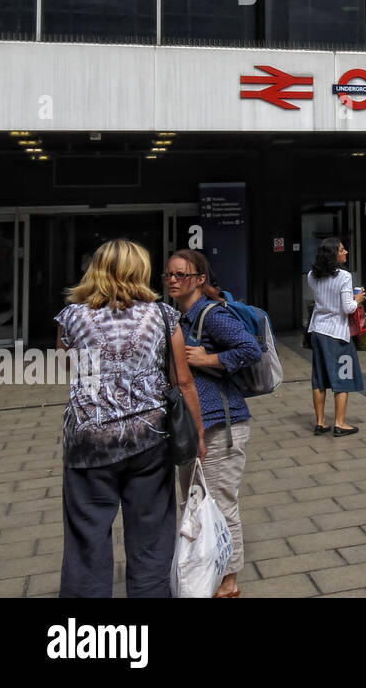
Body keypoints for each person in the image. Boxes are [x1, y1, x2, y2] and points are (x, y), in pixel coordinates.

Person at [57, 239, 203, 598]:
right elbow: (182, 380)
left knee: (86, 539)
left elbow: (67, 370)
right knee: (152, 538)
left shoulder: (71, 316)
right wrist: (198, 434)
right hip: (149, 439)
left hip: (89, 442)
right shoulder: (164, 315)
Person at [166, 248, 261, 598]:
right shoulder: (182, 316)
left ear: (200, 279)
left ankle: (229, 581)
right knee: (198, 502)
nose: (173, 280)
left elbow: (249, 348)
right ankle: (208, 569)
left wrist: (210, 357)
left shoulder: (210, 314)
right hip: (197, 426)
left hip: (223, 424)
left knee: (221, 503)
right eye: (169, 275)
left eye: (182, 275)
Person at [308, 237, 366, 433]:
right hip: (338, 333)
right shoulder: (344, 276)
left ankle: (320, 422)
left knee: (319, 377)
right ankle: (340, 424)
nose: (345, 252)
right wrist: (357, 299)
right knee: (343, 376)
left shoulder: (311, 275)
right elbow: (348, 308)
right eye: (342, 250)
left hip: (317, 330)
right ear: (334, 254)